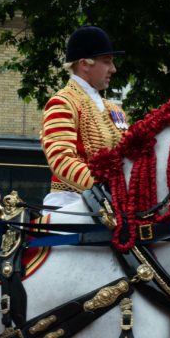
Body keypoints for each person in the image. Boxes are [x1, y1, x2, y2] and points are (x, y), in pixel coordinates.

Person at [40, 26, 129, 209]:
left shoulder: (115, 109)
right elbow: (61, 159)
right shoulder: (63, 102)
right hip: (70, 202)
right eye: (106, 61)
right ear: (84, 64)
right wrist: (108, 189)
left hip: (112, 203)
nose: (113, 69)